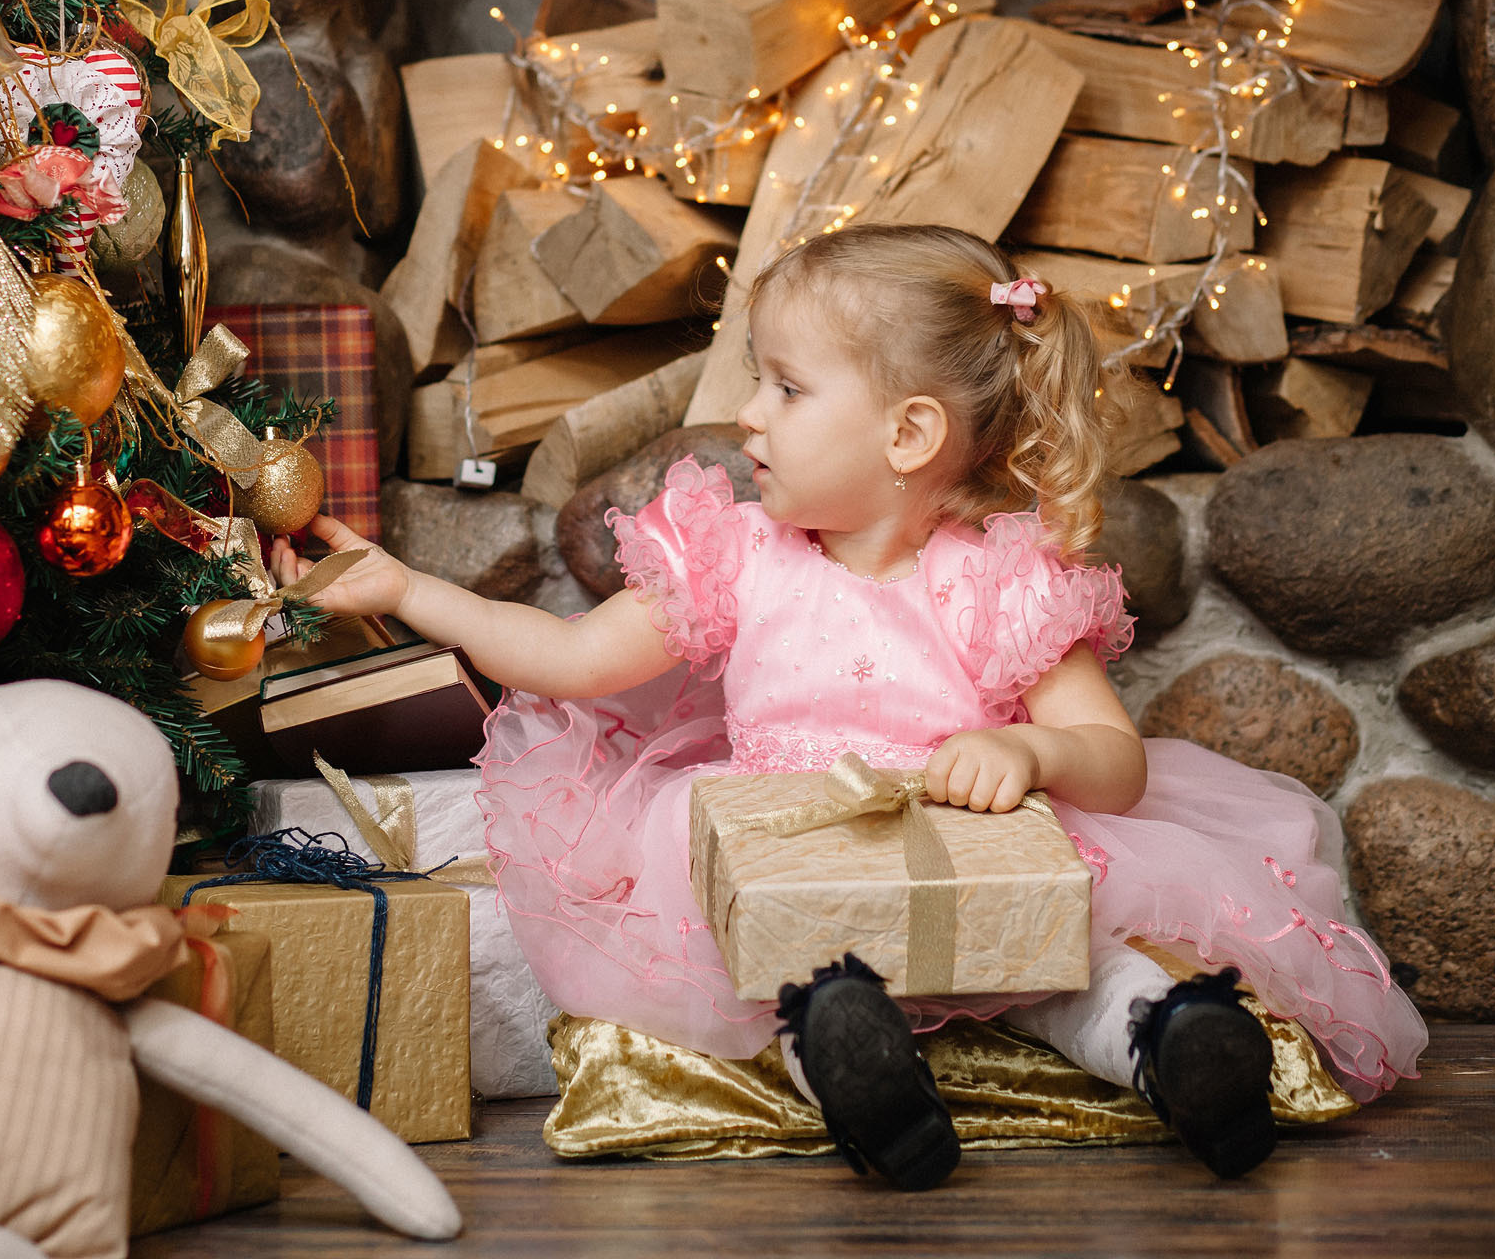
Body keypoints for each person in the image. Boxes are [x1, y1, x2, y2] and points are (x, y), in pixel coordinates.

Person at [270, 223, 1425, 1190]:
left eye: (785, 386)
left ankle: (1176, 1045)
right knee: (758, 926)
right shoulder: (738, 554)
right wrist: (411, 588)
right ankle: (858, 1063)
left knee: (1064, 953)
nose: (751, 418)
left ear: (908, 432)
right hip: (792, 850)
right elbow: (573, 657)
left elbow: (1114, 765)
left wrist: (1027, 746)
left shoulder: (1001, 578)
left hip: (975, 854)